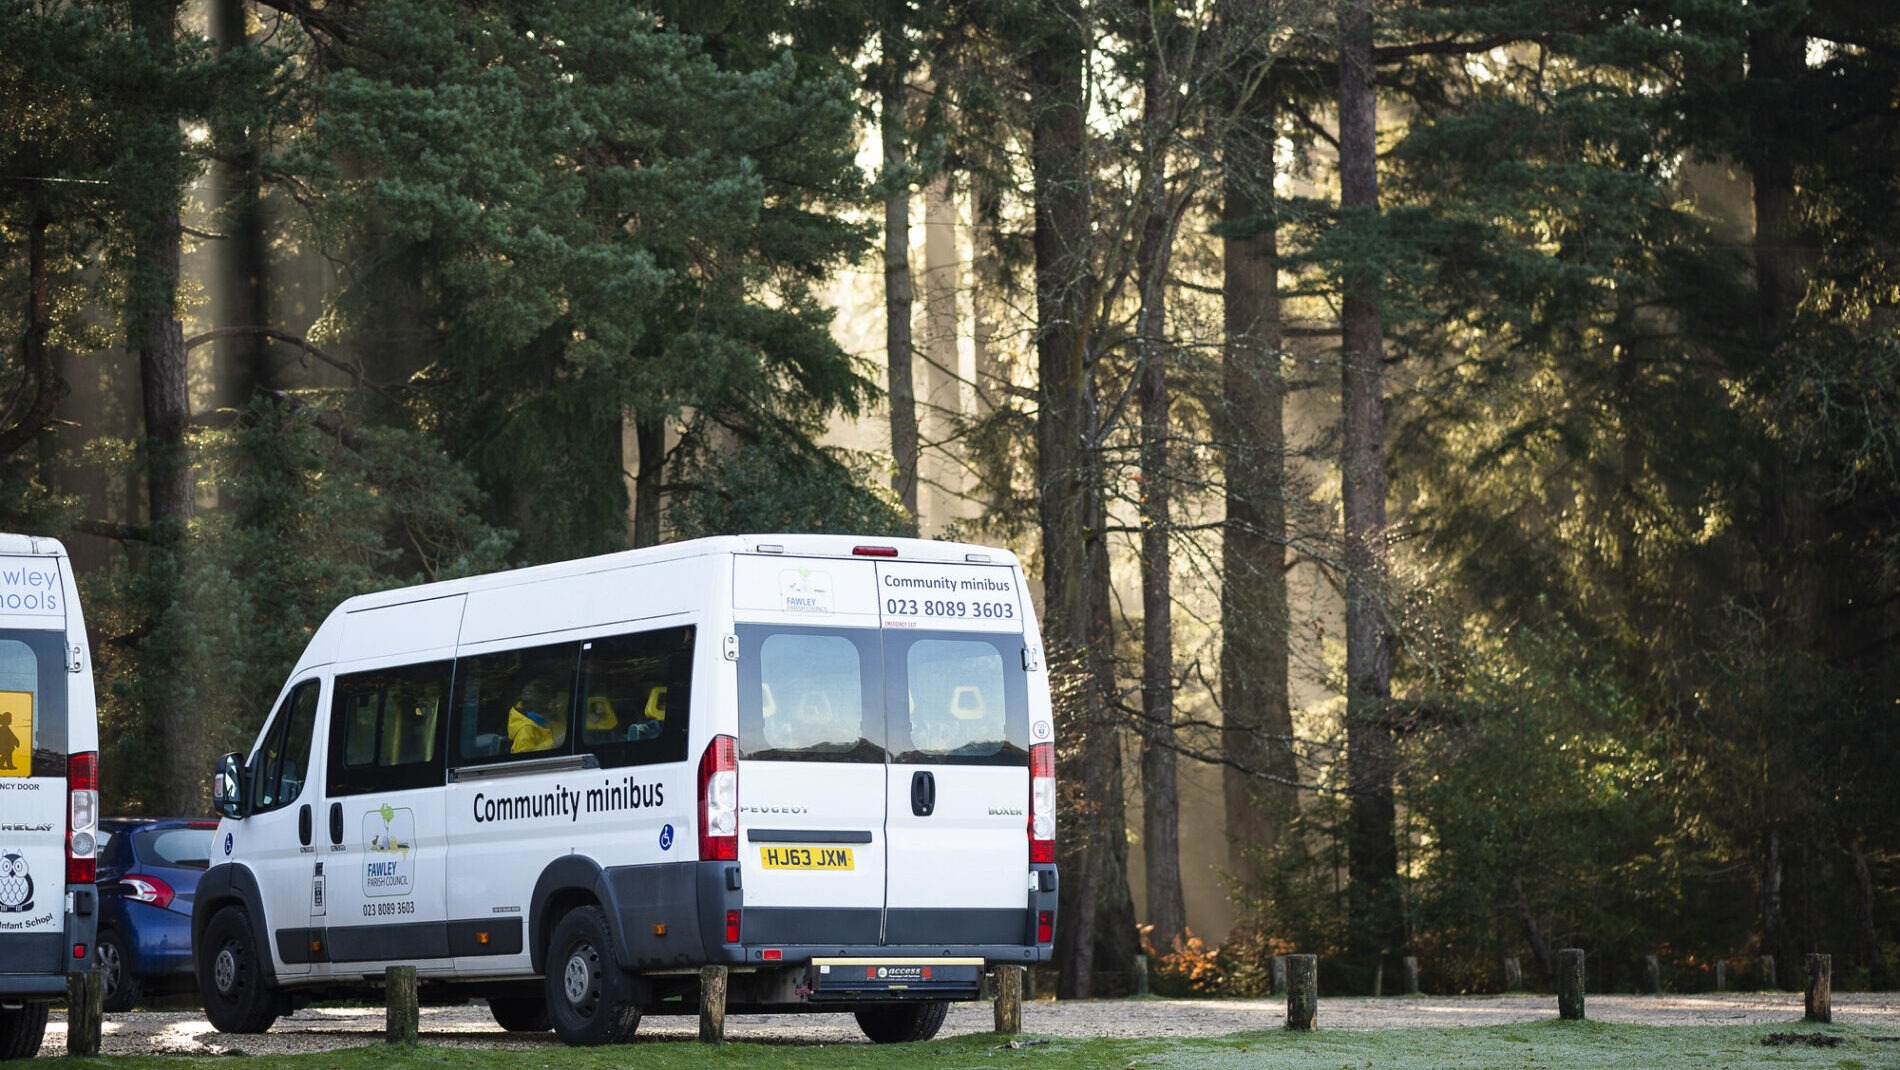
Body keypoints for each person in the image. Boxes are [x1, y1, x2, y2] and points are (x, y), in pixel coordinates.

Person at [507, 681, 567, 754]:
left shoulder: (547, 722)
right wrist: (553, 743)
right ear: (546, 706)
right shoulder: (526, 730)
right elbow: (524, 759)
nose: (558, 705)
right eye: (553, 702)